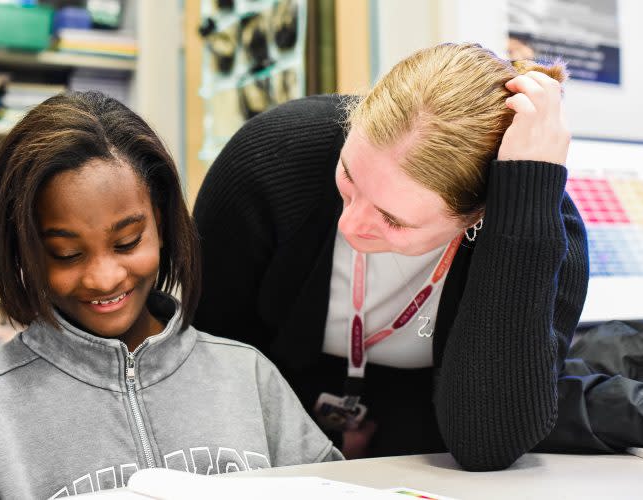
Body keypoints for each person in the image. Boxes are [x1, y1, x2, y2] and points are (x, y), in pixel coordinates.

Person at [0, 92, 341, 499]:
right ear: (22, 252)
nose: (103, 277)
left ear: (164, 224)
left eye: (128, 242)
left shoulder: (248, 375)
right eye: (66, 254)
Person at [192, 43, 589, 471]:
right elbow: (209, 363)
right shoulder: (272, 156)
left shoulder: (543, 231)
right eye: (348, 178)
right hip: (264, 450)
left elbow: (489, 443)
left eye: (393, 219)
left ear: (477, 214)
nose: (351, 225)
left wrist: (521, 210)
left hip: (427, 460)